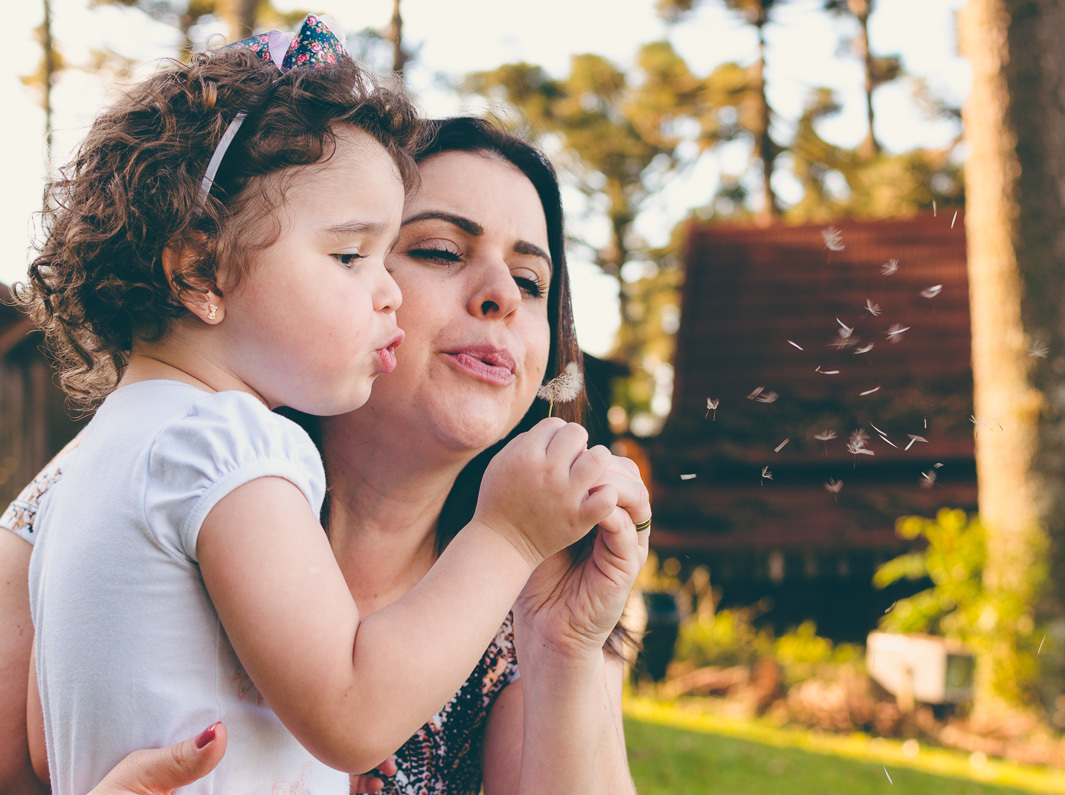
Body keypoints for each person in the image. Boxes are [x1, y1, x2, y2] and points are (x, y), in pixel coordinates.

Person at [12, 15, 625, 794]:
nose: (387, 291)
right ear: (201, 268)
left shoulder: (102, 458)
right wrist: (505, 535)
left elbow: (51, 741)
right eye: (353, 255)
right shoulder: (234, 448)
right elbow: (352, 716)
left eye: (534, 284)